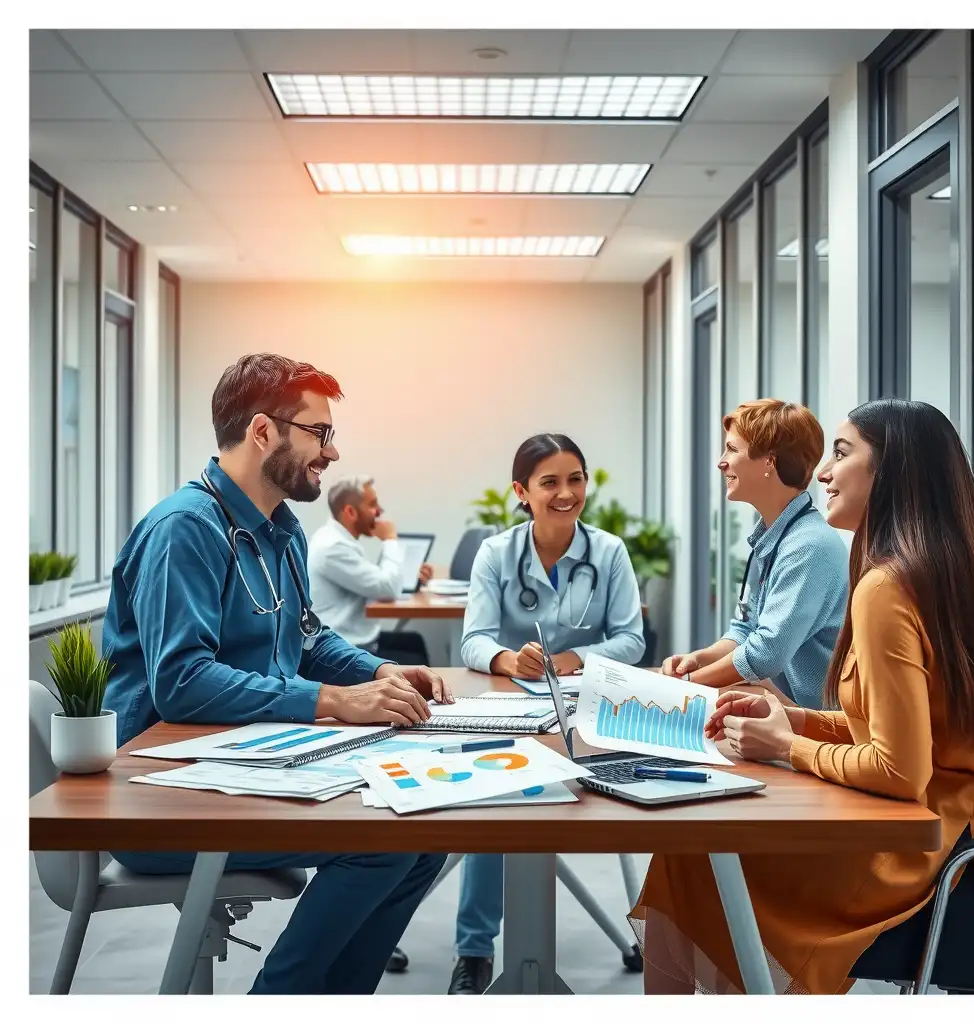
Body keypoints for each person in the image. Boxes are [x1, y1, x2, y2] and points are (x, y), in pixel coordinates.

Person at [101, 353, 454, 995]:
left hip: (245, 764)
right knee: (382, 841)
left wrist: (382, 669)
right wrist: (333, 701)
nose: (333, 451)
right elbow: (181, 682)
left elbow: (308, 638)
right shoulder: (185, 529)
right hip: (162, 795)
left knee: (423, 834)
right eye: (320, 433)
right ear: (263, 431)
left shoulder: (280, 530)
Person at [630, 399, 974, 994]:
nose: (822, 472)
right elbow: (919, 729)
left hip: (940, 858)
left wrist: (787, 745)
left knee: (695, 856)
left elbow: (900, 770)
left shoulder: (885, 586)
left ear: (892, 472)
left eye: (843, 454)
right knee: (701, 855)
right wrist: (796, 719)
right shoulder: (971, 563)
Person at [448, 432, 646, 994]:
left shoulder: (608, 552)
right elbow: (474, 643)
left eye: (575, 479)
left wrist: (575, 657)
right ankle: (474, 950)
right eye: (550, 482)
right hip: (511, 707)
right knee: (498, 799)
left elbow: (631, 638)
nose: (566, 493)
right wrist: (510, 657)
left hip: (586, 706)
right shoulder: (496, 553)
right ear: (522, 491)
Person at [662, 399, 848, 710]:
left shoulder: (809, 546)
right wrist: (699, 659)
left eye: (732, 450)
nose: (722, 462)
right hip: (803, 719)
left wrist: (684, 688)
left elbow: (766, 653)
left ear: (769, 463)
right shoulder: (774, 537)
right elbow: (747, 628)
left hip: (831, 732)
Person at [308, 475, 433, 665]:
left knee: (414, 642)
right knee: (415, 658)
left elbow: (374, 582)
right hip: (344, 652)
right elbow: (388, 588)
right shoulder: (333, 547)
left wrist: (410, 577)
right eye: (373, 504)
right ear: (350, 512)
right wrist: (390, 539)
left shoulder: (339, 540)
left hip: (353, 642)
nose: (380, 511)